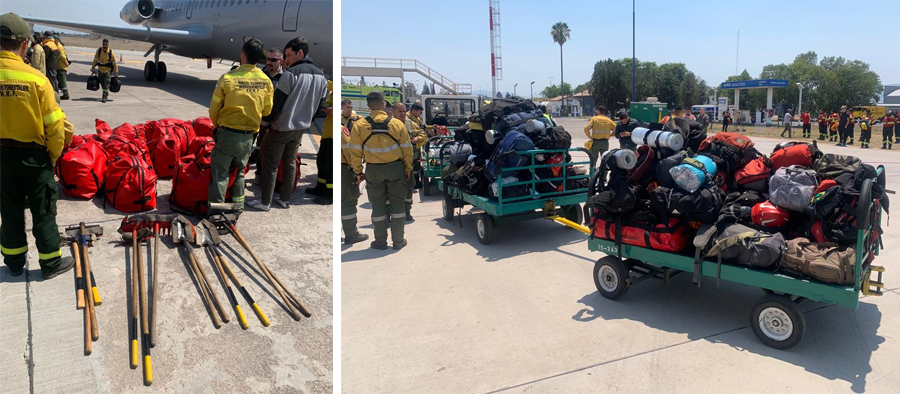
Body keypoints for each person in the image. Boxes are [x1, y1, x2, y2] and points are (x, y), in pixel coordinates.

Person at [0, 13, 75, 279]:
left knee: (8, 211)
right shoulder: (37, 80)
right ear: (23, 44)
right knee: (43, 211)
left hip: (2, 158)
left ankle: (14, 263)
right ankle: (50, 263)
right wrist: (53, 157)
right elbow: (55, 126)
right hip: (34, 157)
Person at [208, 38, 273, 213]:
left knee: (220, 175)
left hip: (228, 134)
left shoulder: (227, 78)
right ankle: (237, 209)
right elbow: (267, 111)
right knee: (240, 172)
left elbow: (214, 109)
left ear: (242, 55)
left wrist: (216, 127)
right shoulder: (266, 81)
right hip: (248, 137)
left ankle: (217, 213)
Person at [347, 91, 413, 250]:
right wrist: (408, 168)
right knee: (397, 206)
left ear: (368, 105)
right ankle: (398, 241)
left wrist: (358, 172)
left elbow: (354, 152)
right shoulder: (397, 124)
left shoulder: (360, 125)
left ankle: (380, 241)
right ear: (383, 104)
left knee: (378, 206)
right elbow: (407, 149)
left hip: (373, 170)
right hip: (395, 168)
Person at [341, 124, 368, 244]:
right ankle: (351, 234)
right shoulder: (341, 130)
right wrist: (357, 171)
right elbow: (349, 152)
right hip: (343, 169)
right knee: (348, 202)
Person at [405, 102, 428, 191]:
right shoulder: (408, 120)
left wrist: (430, 127)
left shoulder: (415, 118)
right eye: (419, 112)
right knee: (413, 163)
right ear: (414, 111)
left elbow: (421, 128)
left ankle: (415, 181)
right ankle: (413, 182)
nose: (421, 114)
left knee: (416, 162)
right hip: (411, 147)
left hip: (415, 145)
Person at [90, 39, 118, 103]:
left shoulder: (110, 52)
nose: (105, 45)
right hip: (100, 69)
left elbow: (114, 62)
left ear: (108, 44)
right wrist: (93, 68)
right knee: (102, 83)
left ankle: (104, 97)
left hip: (107, 70)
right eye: (103, 44)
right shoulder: (99, 51)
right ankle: (106, 92)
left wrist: (116, 71)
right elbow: (95, 60)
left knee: (106, 83)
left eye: (106, 44)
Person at [53, 35, 69, 100]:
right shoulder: (58, 46)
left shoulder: (59, 47)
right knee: (61, 80)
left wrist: (66, 63)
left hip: (61, 66)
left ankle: (66, 94)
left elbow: (62, 57)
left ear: (57, 40)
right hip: (60, 66)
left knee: (63, 81)